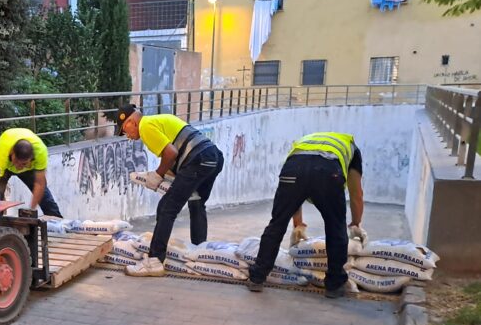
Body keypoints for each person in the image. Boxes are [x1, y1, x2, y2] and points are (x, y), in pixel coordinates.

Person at [246, 132, 367, 299]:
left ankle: (257, 277)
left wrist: (299, 224)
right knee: (335, 226)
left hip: (293, 169)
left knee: (277, 223)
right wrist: (355, 222)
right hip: (328, 173)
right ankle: (334, 284)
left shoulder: (303, 143)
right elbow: (356, 194)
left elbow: (296, 190)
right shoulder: (351, 147)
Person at [116, 104, 224, 277]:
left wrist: (156, 176)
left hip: (197, 160)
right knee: (196, 203)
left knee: (166, 208)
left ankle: (154, 261)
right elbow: (177, 154)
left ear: (131, 121)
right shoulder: (157, 121)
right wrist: (166, 175)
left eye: (124, 130)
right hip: (213, 158)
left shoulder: (145, 126)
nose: (127, 136)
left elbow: (170, 153)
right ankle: (200, 252)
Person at [0, 127, 62, 217]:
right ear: (12, 153)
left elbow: (39, 184)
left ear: (31, 158)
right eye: (16, 162)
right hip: (6, 166)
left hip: (29, 168)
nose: (18, 167)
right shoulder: (3, 152)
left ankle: (56, 220)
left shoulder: (40, 152)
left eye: (23, 164)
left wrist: (31, 211)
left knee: (45, 197)